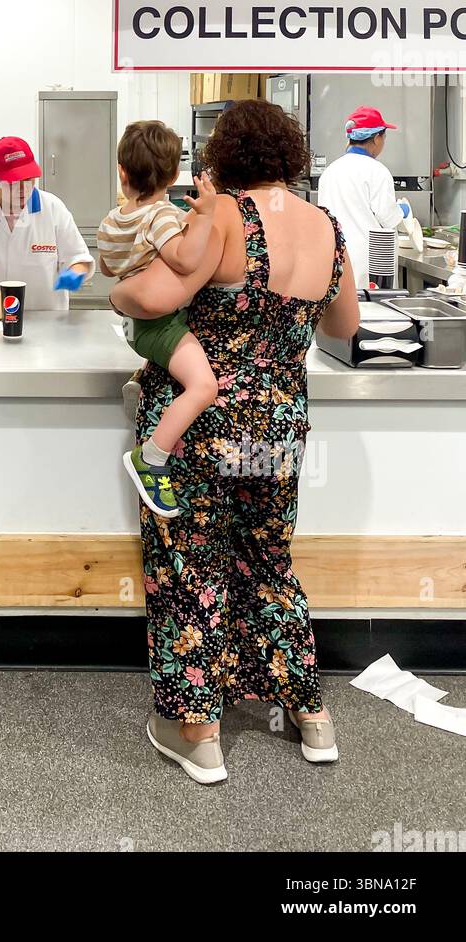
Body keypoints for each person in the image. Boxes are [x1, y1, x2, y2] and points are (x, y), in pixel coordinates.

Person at [111, 101, 359, 785]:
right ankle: (309, 717)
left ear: (226, 154)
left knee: (190, 567)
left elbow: (155, 297)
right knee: (268, 561)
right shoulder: (324, 226)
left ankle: (197, 734)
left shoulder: (223, 214)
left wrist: (119, 296)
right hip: (277, 427)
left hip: (200, 427)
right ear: (291, 156)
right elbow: (343, 323)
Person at [98, 121, 219, 520]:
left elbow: (107, 265)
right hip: (159, 327)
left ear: (122, 170)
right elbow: (184, 259)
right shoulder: (162, 216)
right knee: (203, 385)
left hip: (133, 328)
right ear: (172, 175)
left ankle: (141, 379)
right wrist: (204, 218)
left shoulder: (111, 221)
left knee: (177, 369)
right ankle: (151, 456)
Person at [0, 136, 94, 309]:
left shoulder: (53, 208)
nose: (24, 189)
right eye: (13, 182)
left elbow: (78, 257)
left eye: (29, 179)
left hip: (46, 319)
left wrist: (75, 273)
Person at [317, 105, 409, 290]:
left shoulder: (330, 171)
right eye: (384, 137)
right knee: (371, 312)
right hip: (368, 262)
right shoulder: (377, 171)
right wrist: (403, 210)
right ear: (376, 138)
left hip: (334, 259)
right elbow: (388, 218)